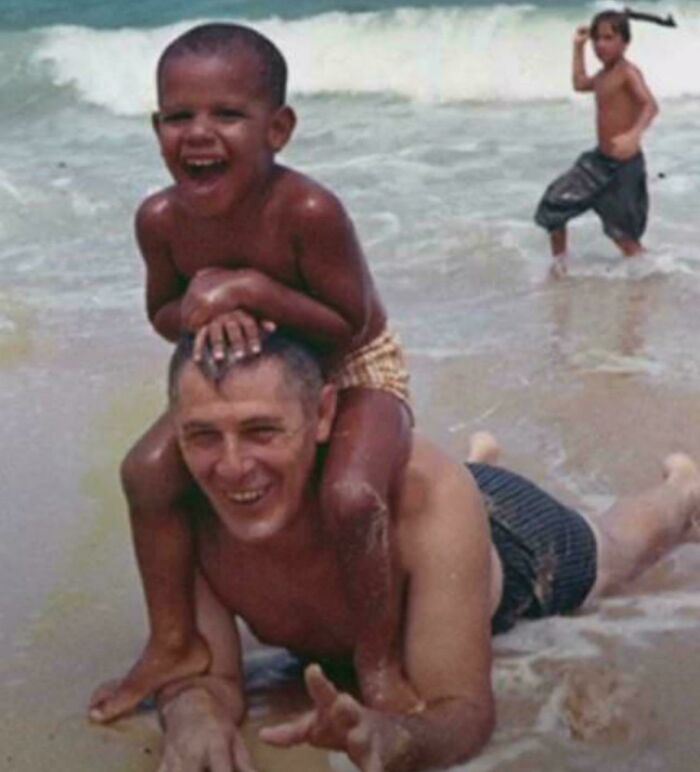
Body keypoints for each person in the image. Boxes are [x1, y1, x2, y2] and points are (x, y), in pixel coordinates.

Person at [155, 332, 700, 772]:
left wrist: (396, 739)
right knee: (449, 486)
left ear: (323, 415)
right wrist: (193, 716)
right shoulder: (184, 509)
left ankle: (679, 492)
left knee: (614, 553)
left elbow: (463, 712)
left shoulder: (423, 498)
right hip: (434, 509)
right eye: (203, 436)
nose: (230, 467)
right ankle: (479, 460)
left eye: (261, 431)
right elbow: (204, 672)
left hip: (508, 540)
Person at [89, 23, 415, 723]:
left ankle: (378, 661)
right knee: (146, 472)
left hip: (353, 366)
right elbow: (162, 312)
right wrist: (204, 306)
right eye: (180, 117)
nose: (199, 133)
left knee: (353, 495)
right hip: (248, 377)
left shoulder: (307, 209)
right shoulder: (160, 219)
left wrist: (249, 289)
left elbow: (349, 323)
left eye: (228, 114)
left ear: (279, 128)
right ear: (156, 128)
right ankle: (174, 640)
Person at [534, 8, 669, 277]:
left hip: (623, 167)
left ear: (624, 42)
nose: (600, 45)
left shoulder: (628, 72)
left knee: (623, 237)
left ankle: (652, 281)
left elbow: (650, 106)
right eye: (597, 39)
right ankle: (559, 269)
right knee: (554, 205)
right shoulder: (603, 75)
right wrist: (577, 48)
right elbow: (579, 83)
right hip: (597, 163)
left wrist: (634, 134)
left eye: (608, 38)